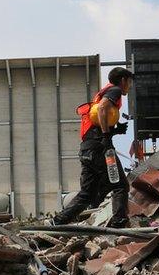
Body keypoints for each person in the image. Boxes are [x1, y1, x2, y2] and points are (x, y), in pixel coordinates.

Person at [52, 67, 133, 228]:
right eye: (129, 82)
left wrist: (113, 131)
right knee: (120, 185)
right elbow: (103, 108)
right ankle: (119, 223)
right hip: (100, 149)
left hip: (87, 149)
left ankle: (57, 221)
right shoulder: (115, 91)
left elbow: (95, 122)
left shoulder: (101, 94)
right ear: (123, 80)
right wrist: (106, 136)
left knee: (87, 194)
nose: (129, 86)